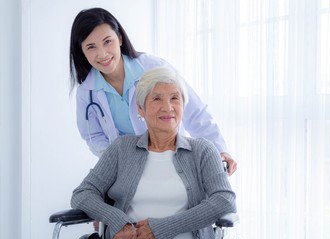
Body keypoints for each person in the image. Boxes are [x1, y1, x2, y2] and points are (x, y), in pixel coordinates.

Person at [71, 67, 236, 239]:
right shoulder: (122, 149)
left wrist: (162, 228)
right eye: (157, 99)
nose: (168, 107)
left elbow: (225, 200)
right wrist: (117, 220)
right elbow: (83, 193)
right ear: (141, 108)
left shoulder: (203, 150)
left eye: (175, 98)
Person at [69, 7, 237, 175]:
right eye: (91, 47)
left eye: (107, 41)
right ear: (82, 51)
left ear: (119, 38)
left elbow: (194, 113)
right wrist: (114, 159)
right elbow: (94, 135)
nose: (102, 53)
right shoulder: (87, 92)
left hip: (172, 160)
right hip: (128, 170)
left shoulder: (154, 68)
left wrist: (219, 150)